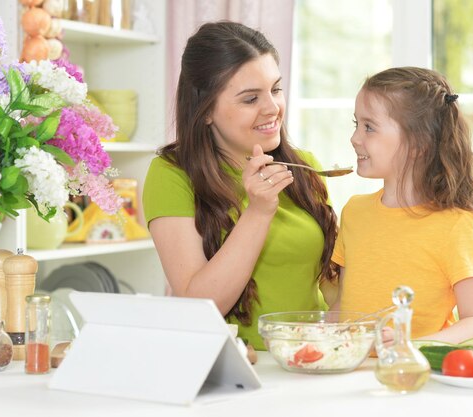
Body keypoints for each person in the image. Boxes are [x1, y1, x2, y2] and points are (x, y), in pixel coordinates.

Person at [142, 21, 338, 349]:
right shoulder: (172, 174)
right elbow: (198, 306)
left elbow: (334, 288)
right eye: (251, 99)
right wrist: (258, 212)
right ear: (205, 111)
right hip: (235, 365)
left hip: (309, 357)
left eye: (275, 89)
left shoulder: (304, 167)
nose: (273, 108)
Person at [332, 67, 473, 344]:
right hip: (352, 371)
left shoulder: (457, 226)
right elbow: (344, 307)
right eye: (356, 124)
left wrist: (410, 346)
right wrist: (317, 340)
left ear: (418, 143)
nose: (355, 138)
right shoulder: (354, 212)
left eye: (369, 127)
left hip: (417, 378)